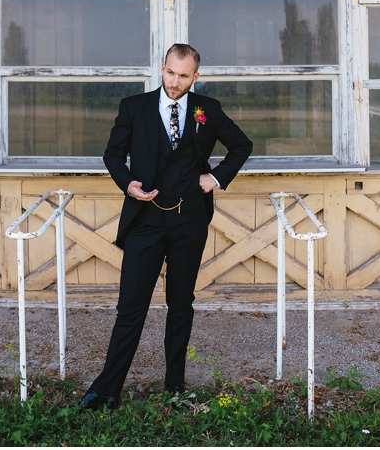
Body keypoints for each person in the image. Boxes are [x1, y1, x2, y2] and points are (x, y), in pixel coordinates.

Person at [80, 43, 253, 410]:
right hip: (145, 222)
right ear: (162, 68)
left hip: (189, 222)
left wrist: (216, 178)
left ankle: (174, 385)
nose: (175, 82)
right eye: (170, 73)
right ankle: (107, 389)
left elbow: (242, 145)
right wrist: (128, 184)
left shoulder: (208, 110)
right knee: (131, 307)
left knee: (180, 305)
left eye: (184, 76)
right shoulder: (134, 107)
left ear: (196, 77)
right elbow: (112, 154)